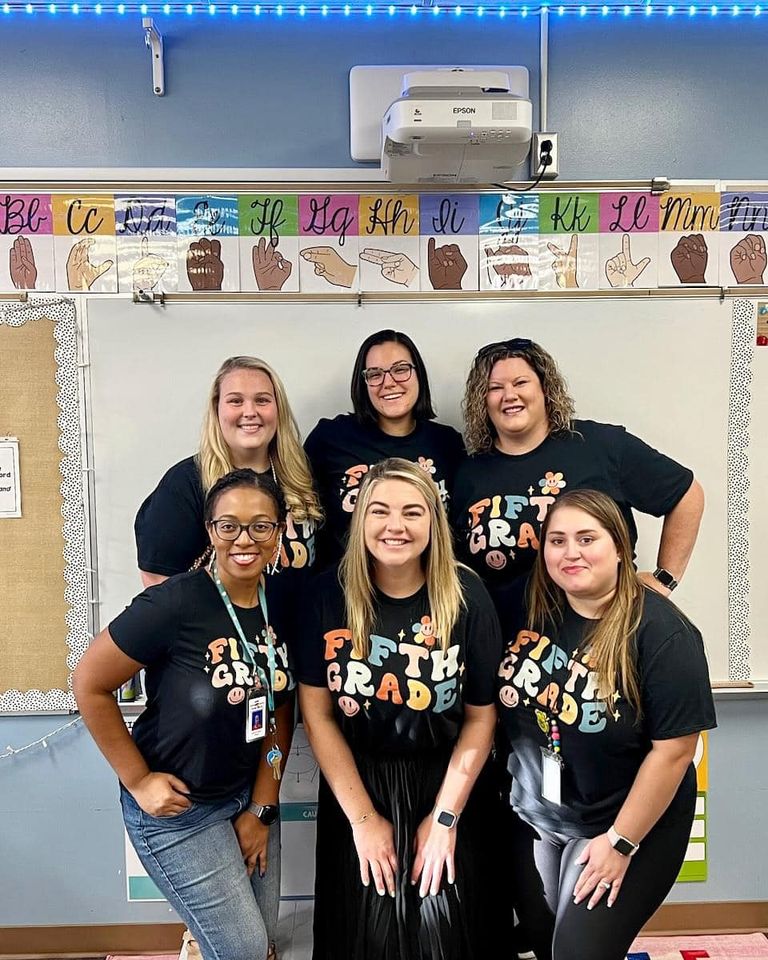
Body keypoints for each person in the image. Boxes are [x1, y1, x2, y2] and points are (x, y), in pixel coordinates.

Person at [74, 470, 295, 960]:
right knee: (241, 950)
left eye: (261, 526)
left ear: (280, 531)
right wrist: (138, 780)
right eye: (229, 525)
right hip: (179, 812)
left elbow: (281, 703)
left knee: (262, 944)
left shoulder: (280, 602)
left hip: (245, 798)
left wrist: (261, 806)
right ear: (209, 529)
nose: (245, 539)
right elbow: (89, 684)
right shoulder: (172, 603)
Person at [296, 458, 502, 960]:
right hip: (358, 784)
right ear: (360, 517)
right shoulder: (326, 595)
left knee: (446, 933)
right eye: (381, 511)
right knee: (369, 936)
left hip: (448, 781)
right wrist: (364, 821)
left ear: (433, 521)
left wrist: (445, 820)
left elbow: (481, 718)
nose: (396, 526)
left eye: (413, 512)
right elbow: (317, 716)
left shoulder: (467, 594)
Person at [497, 489, 716, 960]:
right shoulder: (527, 608)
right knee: (545, 944)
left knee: (578, 953)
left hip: (625, 824)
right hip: (539, 817)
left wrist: (620, 842)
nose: (570, 552)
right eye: (556, 541)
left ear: (620, 548)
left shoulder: (662, 633)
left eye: (586, 538)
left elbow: (675, 752)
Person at [452, 337, 704, 598]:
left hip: (602, 628)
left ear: (545, 389)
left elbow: (686, 495)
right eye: (495, 388)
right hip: (508, 635)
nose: (509, 395)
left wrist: (665, 579)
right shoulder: (469, 472)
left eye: (520, 383)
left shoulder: (601, 446)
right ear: (482, 400)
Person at [135, 355, 323, 588]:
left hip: (299, 624)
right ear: (217, 409)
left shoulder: (301, 477)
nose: (250, 411)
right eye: (236, 401)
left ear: (278, 409)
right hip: (215, 625)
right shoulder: (186, 484)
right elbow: (157, 584)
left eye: (262, 400)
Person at [304, 330, 465, 568]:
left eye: (400, 369)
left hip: (426, 590)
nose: (388, 382)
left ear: (418, 373)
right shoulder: (331, 438)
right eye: (375, 374)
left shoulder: (446, 443)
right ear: (364, 383)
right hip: (345, 590)